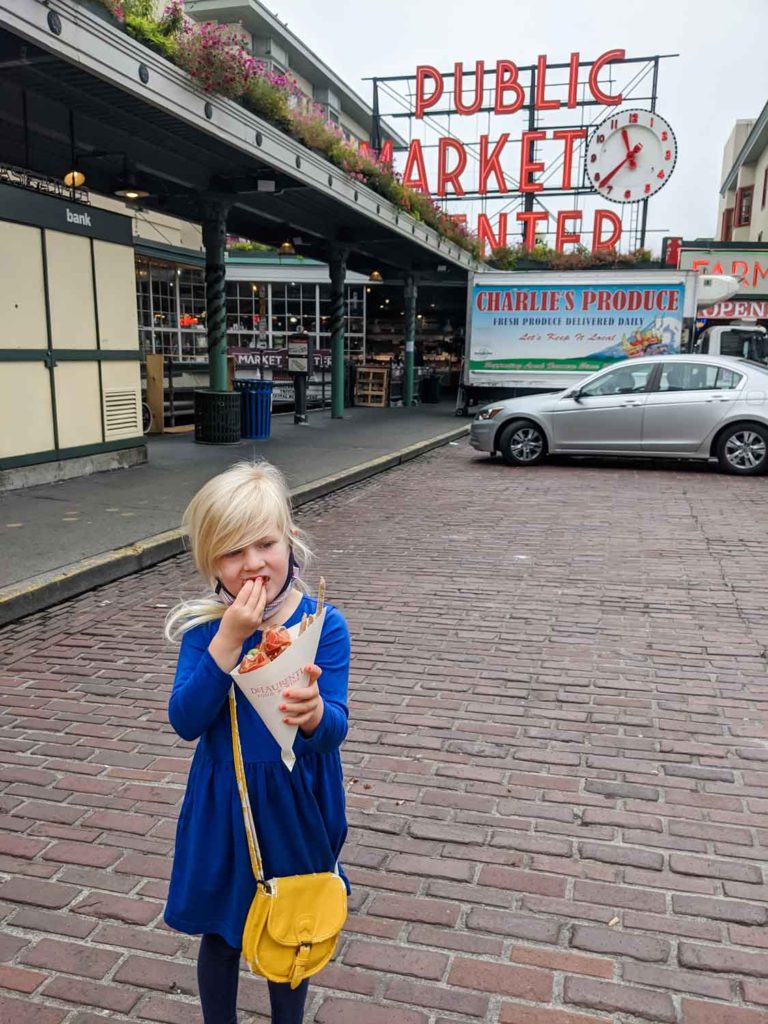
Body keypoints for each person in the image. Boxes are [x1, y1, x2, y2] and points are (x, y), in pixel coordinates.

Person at [163, 461, 351, 1024]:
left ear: (289, 540)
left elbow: (334, 729)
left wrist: (316, 715)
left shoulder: (324, 622)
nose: (251, 563)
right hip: (227, 801)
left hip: (298, 803)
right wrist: (228, 641)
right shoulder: (206, 631)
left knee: (294, 929)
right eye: (231, 552)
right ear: (209, 563)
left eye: (264, 543)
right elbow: (186, 719)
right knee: (222, 933)